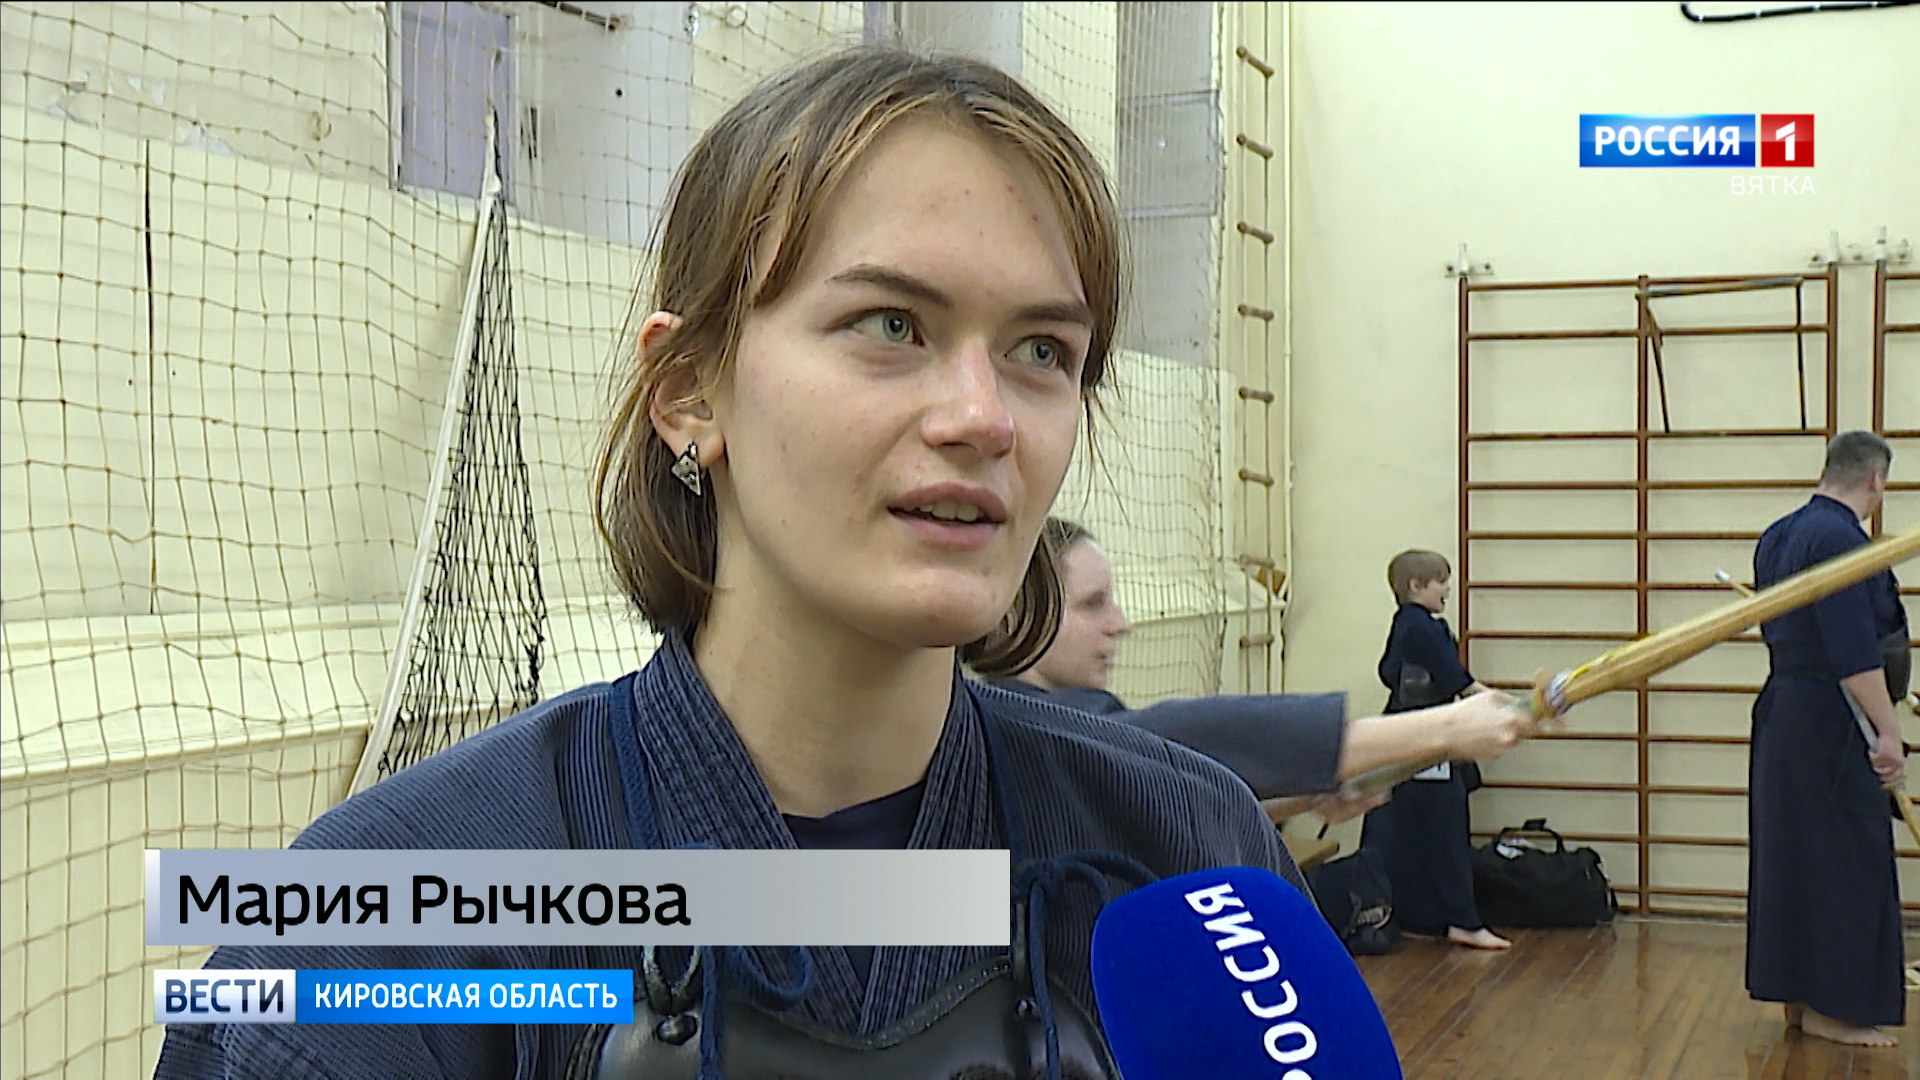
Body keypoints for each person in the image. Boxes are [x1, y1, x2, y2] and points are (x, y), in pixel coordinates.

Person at [153, 47, 1328, 1080]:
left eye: (1041, 351)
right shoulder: (399, 920)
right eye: (891, 325)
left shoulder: (1186, 856)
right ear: (689, 393)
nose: (983, 417)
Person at [966, 517, 1539, 826]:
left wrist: (1306, 793)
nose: (1119, 623)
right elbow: (1152, 747)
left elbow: (1156, 796)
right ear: (1014, 617)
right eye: (1093, 604)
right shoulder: (1010, 735)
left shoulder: (1018, 740)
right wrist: (1446, 728)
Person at [1747, 430, 1909, 1049]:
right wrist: (1888, 731)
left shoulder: (1779, 534)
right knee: (1847, 859)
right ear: (1875, 479)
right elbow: (1852, 649)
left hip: (1785, 712)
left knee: (1796, 857)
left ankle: (1799, 1000)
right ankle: (1837, 1009)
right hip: (1832, 718)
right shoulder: (1842, 540)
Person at [1361, 549, 1512, 951]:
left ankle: (1414, 916)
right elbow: (1458, 680)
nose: (1447, 589)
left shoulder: (1406, 624)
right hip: (1427, 744)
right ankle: (1463, 920)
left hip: (1407, 738)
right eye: (1441, 582)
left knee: (1408, 830)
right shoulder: (1421, 628)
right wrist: (1509, 708)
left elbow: (1391, 672)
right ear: (1416, 586)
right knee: (1446, 832)